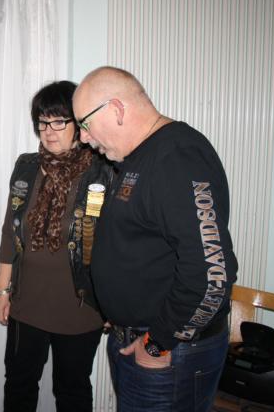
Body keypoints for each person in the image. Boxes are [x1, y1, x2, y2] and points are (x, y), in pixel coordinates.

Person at [72, 66, 238, 412]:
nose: (83, 138)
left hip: (169, 353)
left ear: (116, 109)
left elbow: (211, 274)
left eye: (84, 124)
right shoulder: (136, 158)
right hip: (139, 341)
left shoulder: (176, 158)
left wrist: (157, 343)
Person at [0, 81, 114, 412]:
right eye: (43, 122)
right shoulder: (27, 167)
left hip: (81, 306)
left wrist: (111, 302)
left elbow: (113, 243)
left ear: (78, 124)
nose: (49, 131)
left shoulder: (102, 171)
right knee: (18, 385)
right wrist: (2, 290)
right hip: (27, 303)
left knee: (72, 391)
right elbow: (10, 231)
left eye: (59, 121)